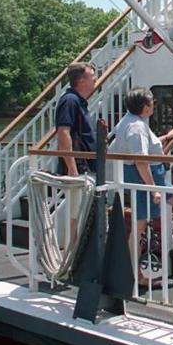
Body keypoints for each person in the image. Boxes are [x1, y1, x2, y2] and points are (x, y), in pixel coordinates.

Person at [111, 88, 173, 286]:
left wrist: (166, 137)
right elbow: (141, 161)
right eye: (152, 102)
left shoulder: (132, 122)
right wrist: (154, 189)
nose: (154, 105)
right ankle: (135, 275)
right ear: (145, 107)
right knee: (139, 226)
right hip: (143, 178)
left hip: (154, 175)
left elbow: (146, 146)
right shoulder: (136, 128)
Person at [54, 62, 97, 239]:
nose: (95, 79)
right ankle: (73, 256)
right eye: (92, 75)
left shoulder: (79, 101)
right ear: (81, 80)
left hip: (85, 166)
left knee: (81, 213)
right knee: (76, 214)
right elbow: (63, 133)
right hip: (78, 168)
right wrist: (72, 167)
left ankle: (77, 253)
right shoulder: (70, 101)